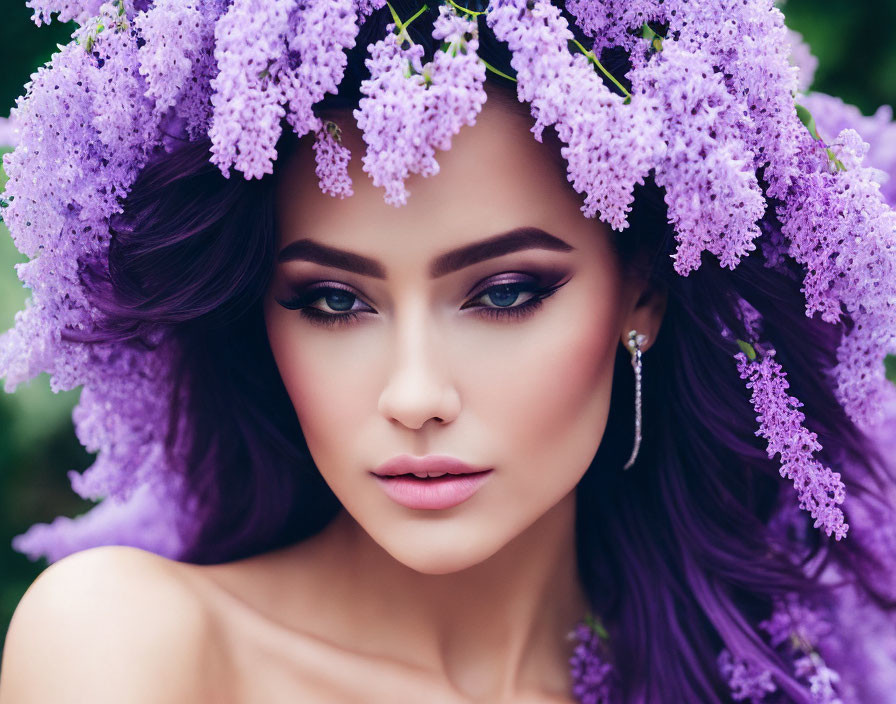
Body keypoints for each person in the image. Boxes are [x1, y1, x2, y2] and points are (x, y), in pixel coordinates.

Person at [0, 1, 895, 702]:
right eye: (334, 301)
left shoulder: (762, 682)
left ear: (643, 295)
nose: (416, 394)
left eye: (505, 293)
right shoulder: (128, 645)